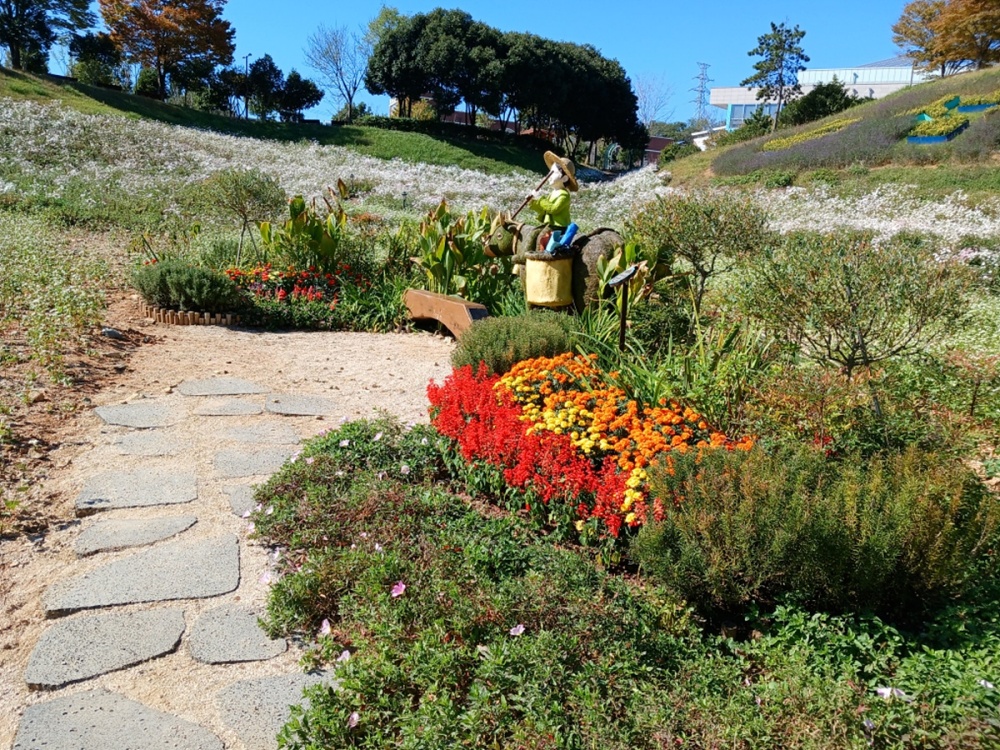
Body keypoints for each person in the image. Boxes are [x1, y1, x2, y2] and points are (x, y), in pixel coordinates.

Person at [528, 151, 578, 230]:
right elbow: (545, 209)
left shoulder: (564, 195)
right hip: (549, 225)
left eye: (553, 173)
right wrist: (532, 202)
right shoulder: (553, 193)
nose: (549, 176)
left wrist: (540, 199)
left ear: (564, 178)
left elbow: (553, 209)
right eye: (549, 172)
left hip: (558, 227)